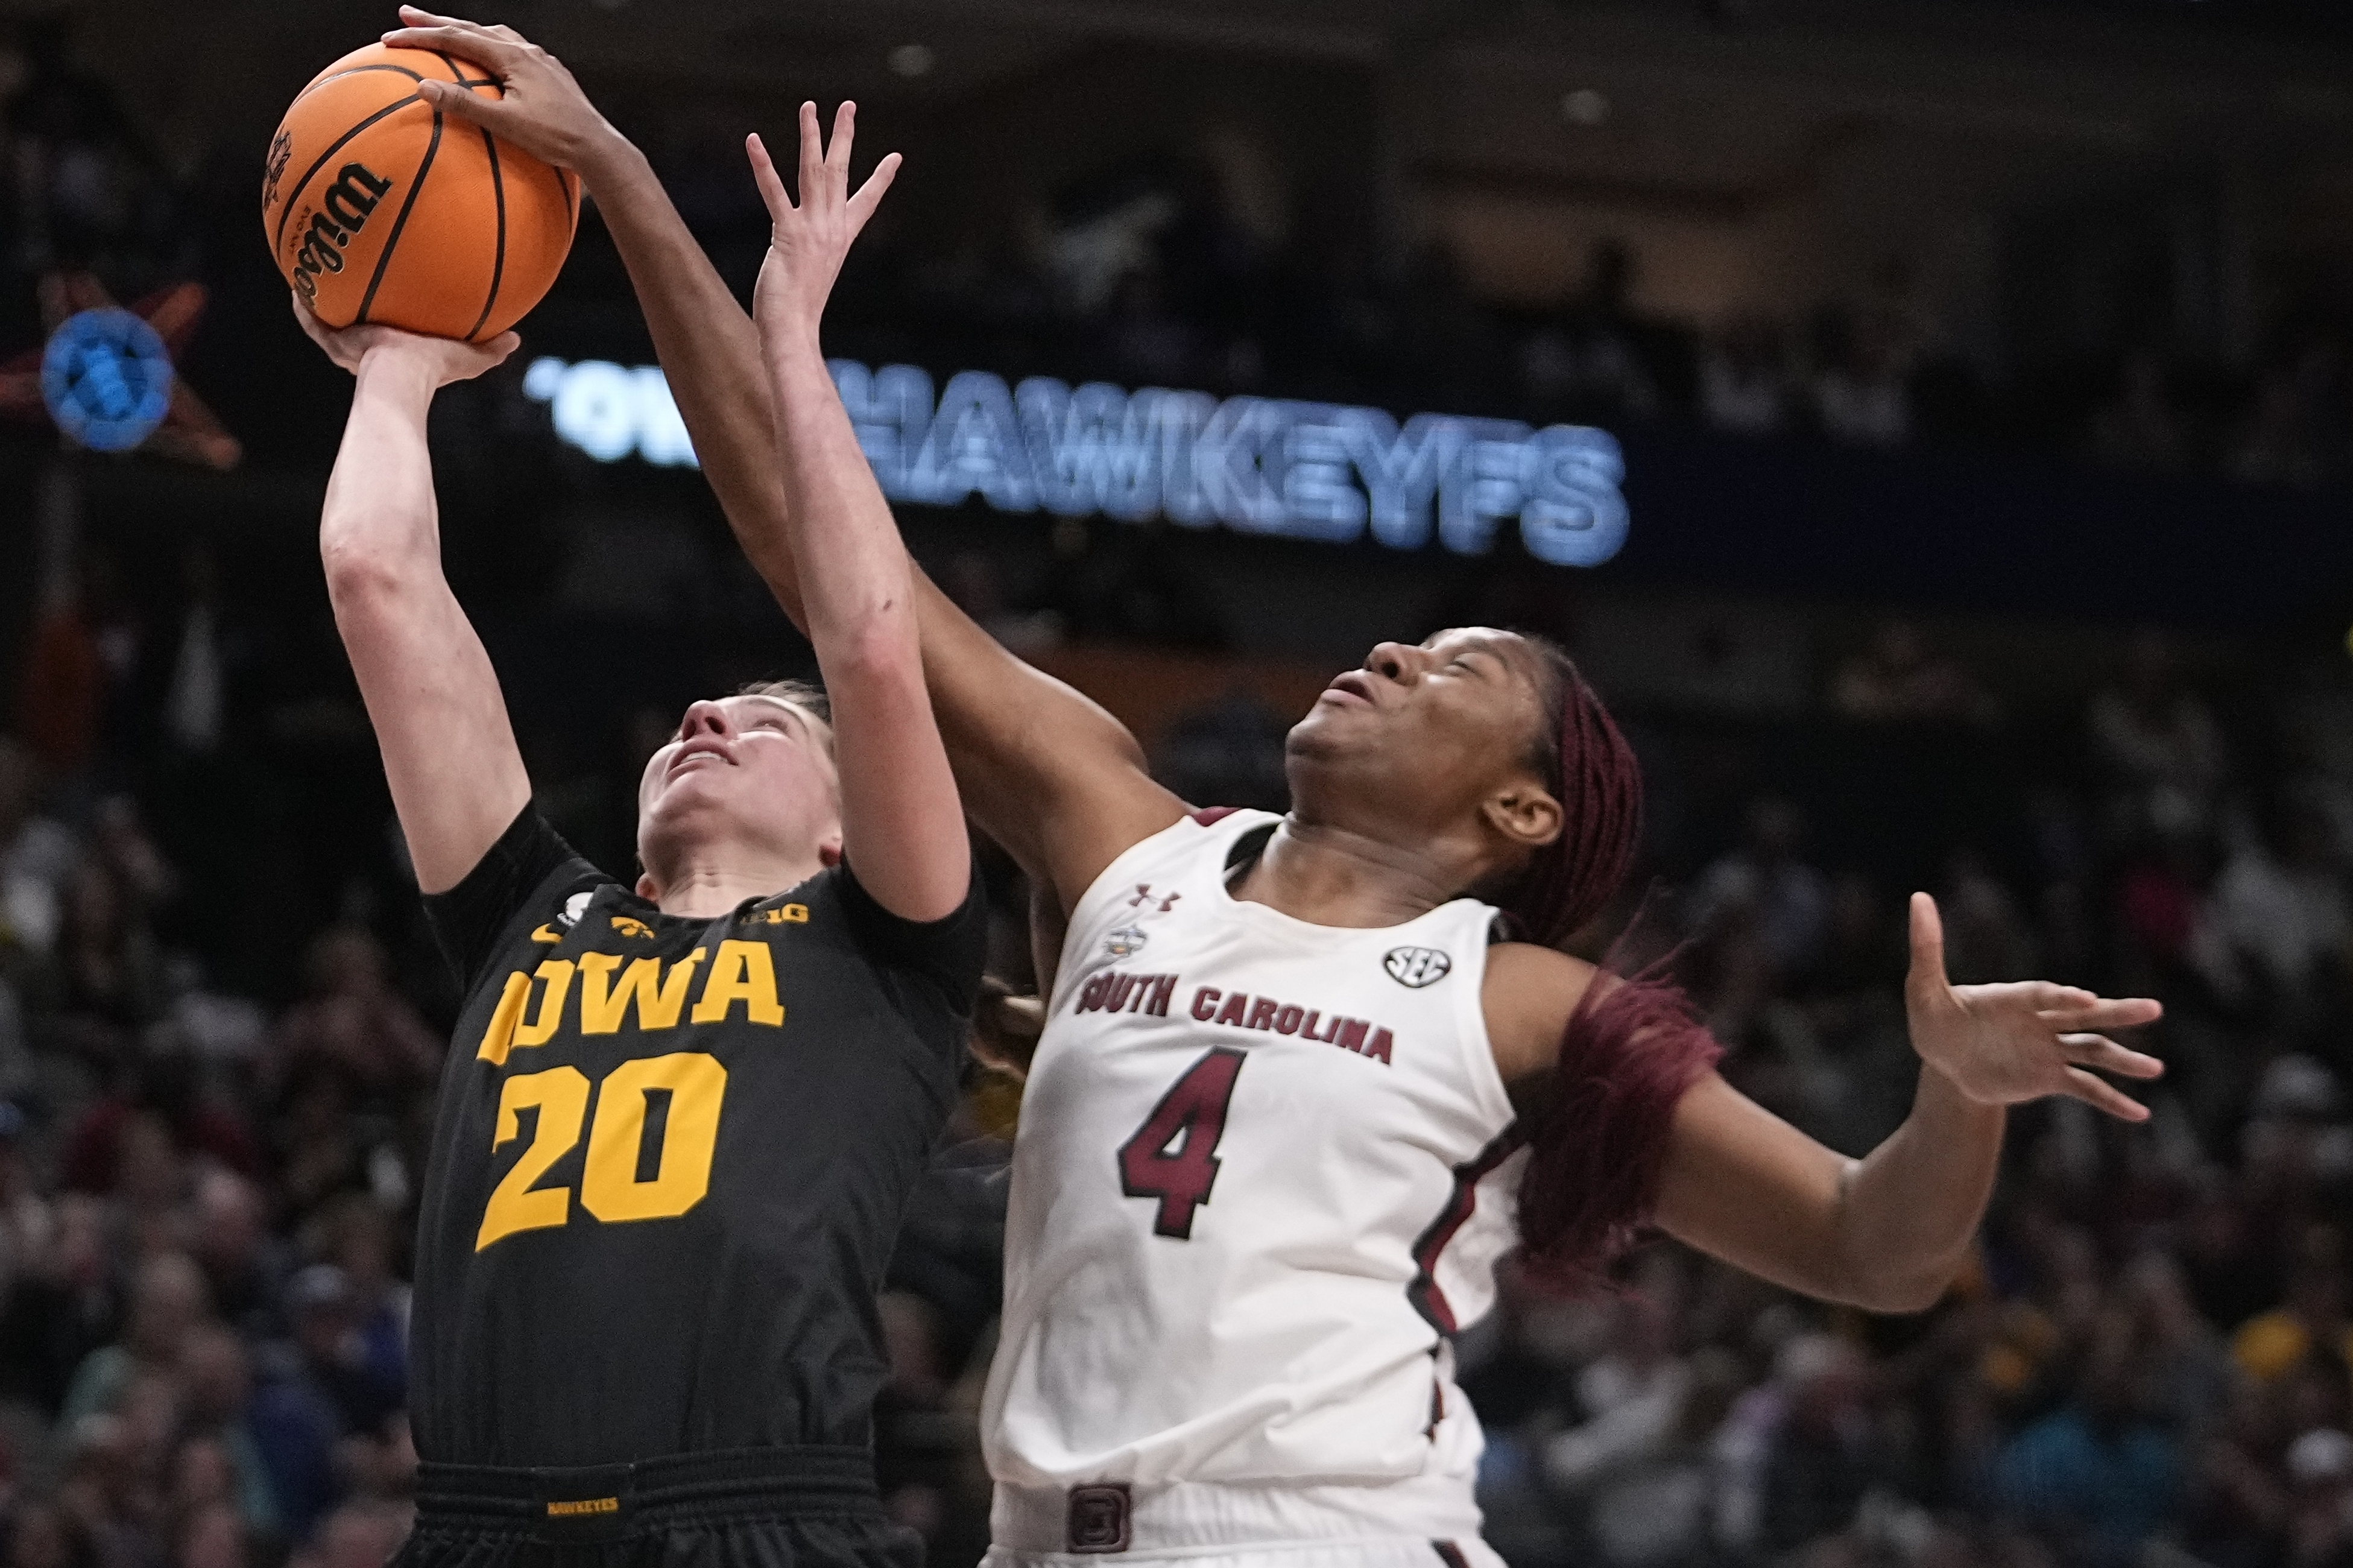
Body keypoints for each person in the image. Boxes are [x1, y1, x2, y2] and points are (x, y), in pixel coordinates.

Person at [385, 14, 2165, 1567]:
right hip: (1037, 1543)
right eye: (1405, 641)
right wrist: (619, 181)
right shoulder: (1119, 845)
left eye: (1456, 666)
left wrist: (1954, 1099)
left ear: (1522, 815)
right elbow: (812, 549)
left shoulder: (1524, 1002)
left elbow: (1873, 1250)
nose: (1390, 657)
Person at [291, 83, 982, 1568]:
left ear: (846, 835)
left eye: (766, 724)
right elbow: (374, 578)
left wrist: (790, 338)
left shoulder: (888, 946)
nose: (705, 719)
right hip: (478, 1532)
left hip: (757, 1520)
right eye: (702, 714)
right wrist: (400, 359)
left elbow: (869, 643)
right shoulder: (531, 919)